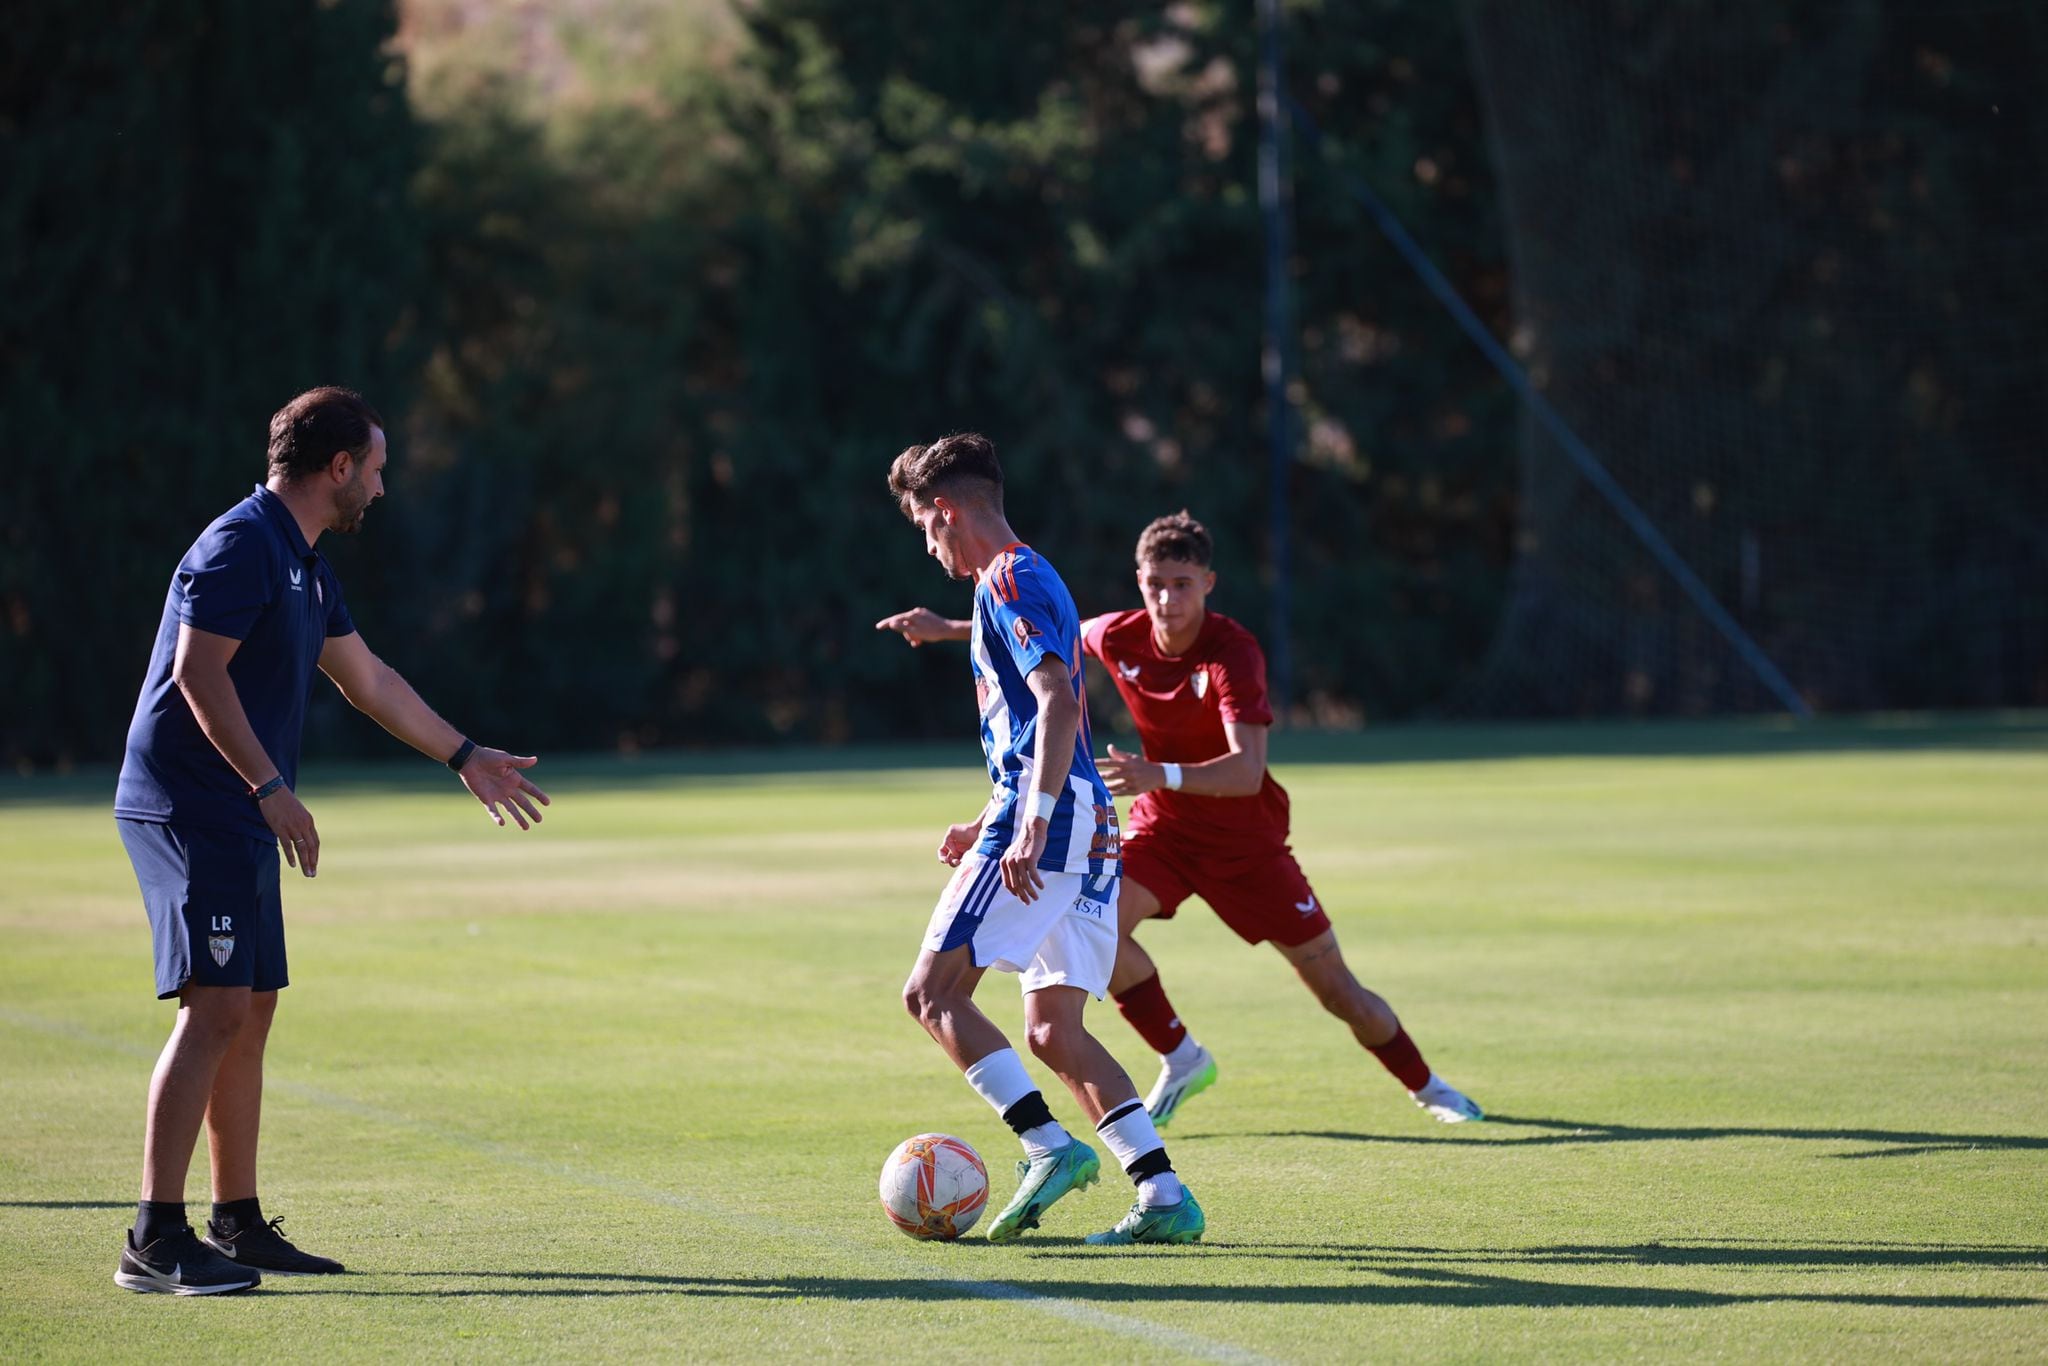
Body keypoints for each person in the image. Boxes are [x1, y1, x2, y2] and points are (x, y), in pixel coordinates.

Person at [111, 387, 552, 1294]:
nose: (382, 490)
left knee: (252, 1005)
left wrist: (464, 755)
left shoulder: (304, 560)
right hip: (190, 804)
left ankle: (236, 1222)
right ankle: (154, 1239)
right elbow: (198, 675)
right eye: (377, 469)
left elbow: (368, 680)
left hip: (235, 806)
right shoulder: (241, 545)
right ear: (338, 467)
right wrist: (269, 786)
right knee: (216, 1007)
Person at [877, 510, 1482, 1131]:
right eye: (1155, 583)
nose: (1166, 599)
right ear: (1139, 581)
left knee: (1335, 989)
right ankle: (1181, 1055)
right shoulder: (1119, 635)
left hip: (1247, 845)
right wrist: (946, 628)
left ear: (1209, 584)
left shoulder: (1233, 651)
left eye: (1182, 584)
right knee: (1094, 933)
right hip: (1162, 833)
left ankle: (1428, 1085)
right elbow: (1039, 632)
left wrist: (1156, 773)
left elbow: (1247, 772)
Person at [887, 433, 1203, 1247]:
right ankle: (1164, 1196)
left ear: (950, 510)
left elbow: (1059, 699)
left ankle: (1046, 1146)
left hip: (1054, 824)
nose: (930, 545)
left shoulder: (1009, 576)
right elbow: (1033, 722)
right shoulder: (1025, 574)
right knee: (1053, 1031)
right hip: (1085, 824)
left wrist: (1026, 820)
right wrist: (997, 808)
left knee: (931, 994)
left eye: (927, 526)